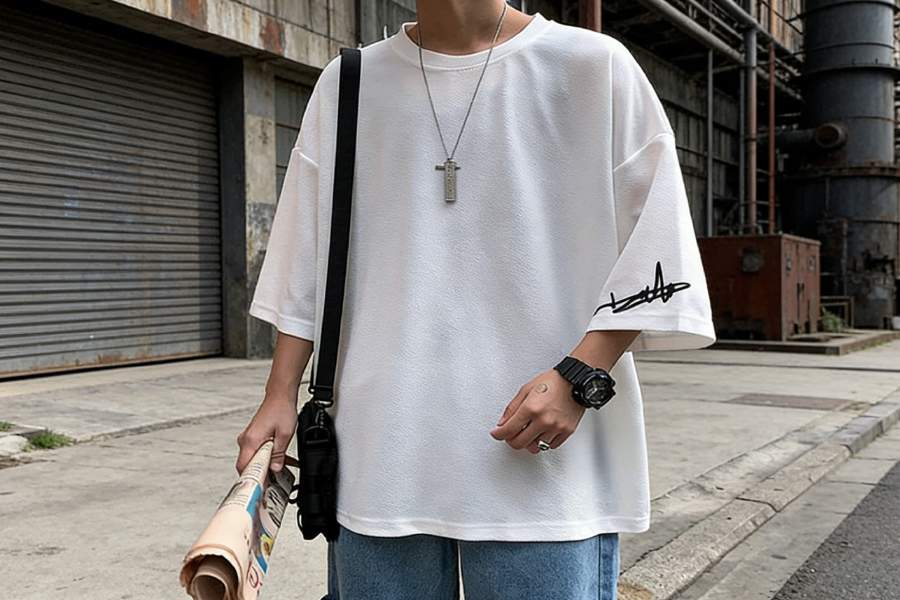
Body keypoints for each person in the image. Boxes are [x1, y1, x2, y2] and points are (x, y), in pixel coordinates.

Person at [236, 1, 715, 598]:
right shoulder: (350, 82)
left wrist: (581, 374)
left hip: (542, 458)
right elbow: (306, 252)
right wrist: (279, 393)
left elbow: (659, 246)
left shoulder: (592, 66)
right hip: (381, 450)